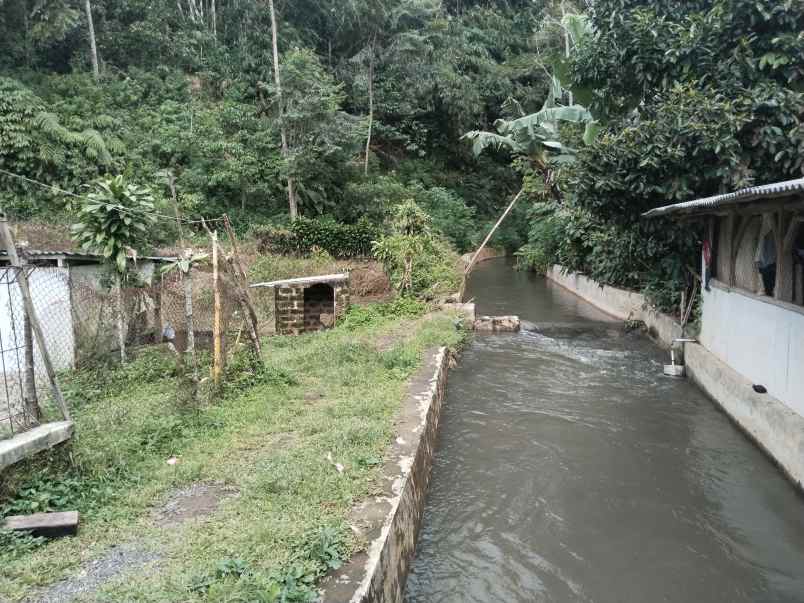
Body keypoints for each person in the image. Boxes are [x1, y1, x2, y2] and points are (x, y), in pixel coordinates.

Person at [755, 215, 776, 296]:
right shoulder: (765, 234)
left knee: (767, 275)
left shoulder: (767, 235)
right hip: (767, 263)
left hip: (768, 263)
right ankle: (767, 290)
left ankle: (768, 290)